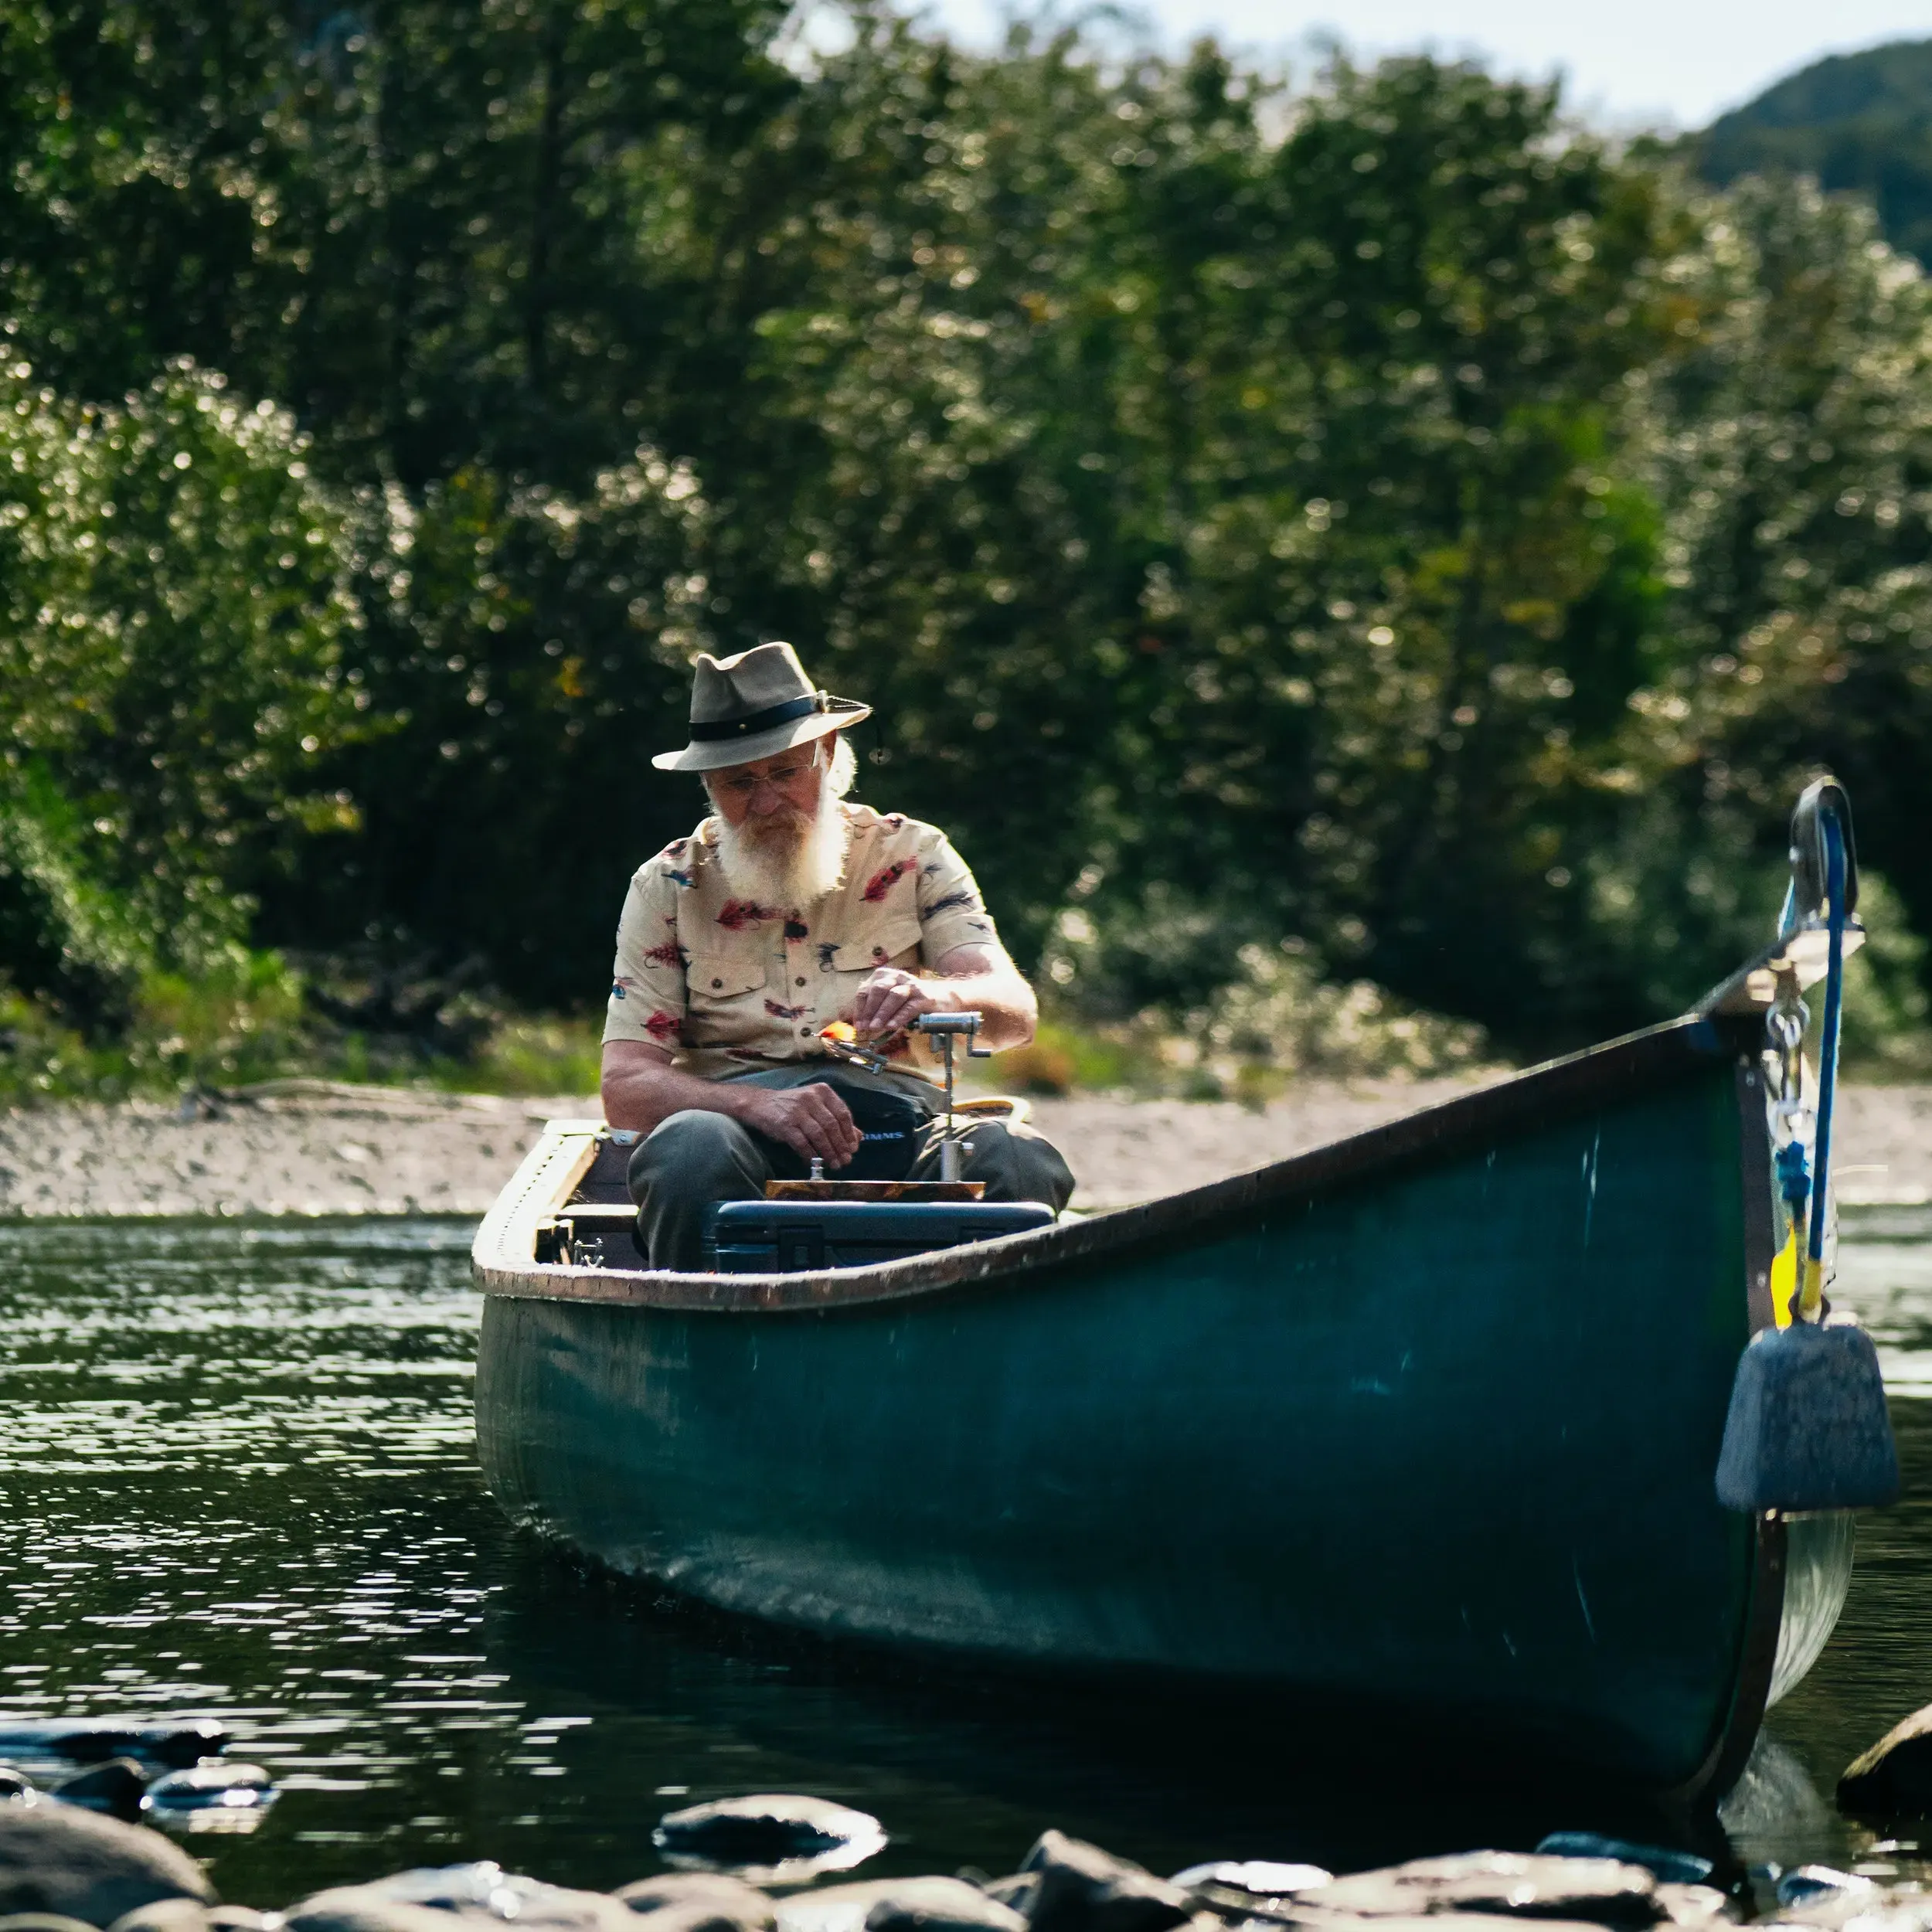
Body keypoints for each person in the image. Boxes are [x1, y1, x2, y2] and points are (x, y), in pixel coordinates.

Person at [601, 641, 1074, 1270]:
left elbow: (1014, 1013)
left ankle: (993, 1346)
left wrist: (939, 995)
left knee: (1017, 1155)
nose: (766, 803)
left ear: (826, 757)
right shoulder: (667, 885)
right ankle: (706, 1341)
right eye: (741, 782)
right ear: (709, 785)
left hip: (906, 1121)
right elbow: (626, 1086)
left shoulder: (914, 853)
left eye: (784, 772)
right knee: (688, 1149)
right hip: (734, 1131)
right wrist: (758, 1106)